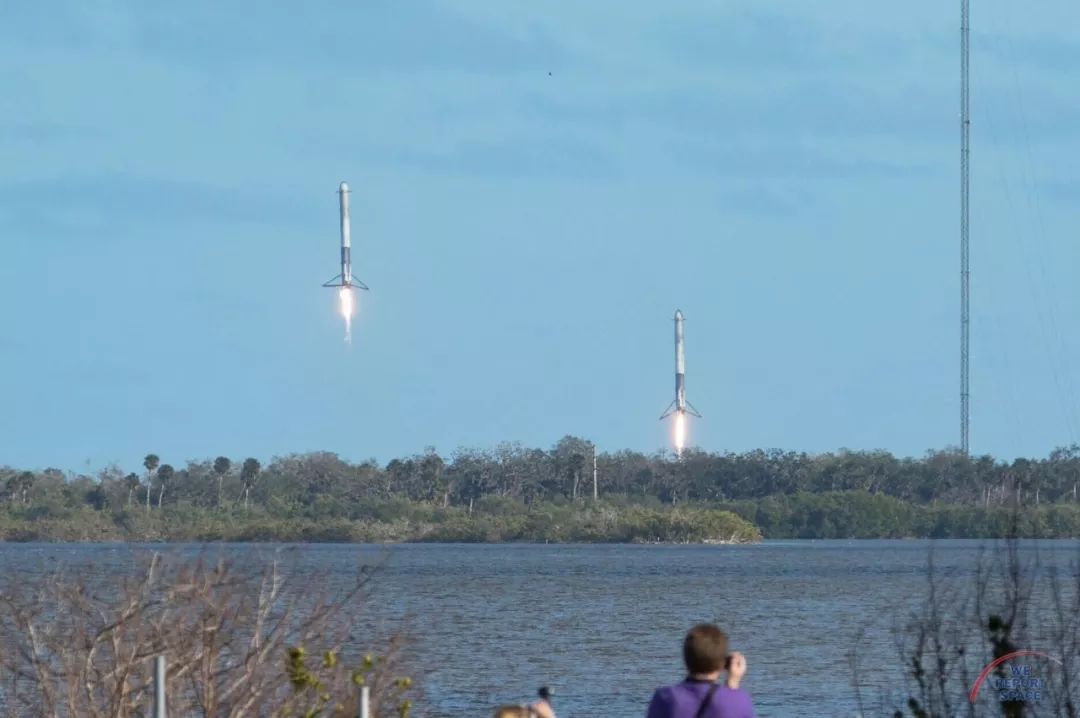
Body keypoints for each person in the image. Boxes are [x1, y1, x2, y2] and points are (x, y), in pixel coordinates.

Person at [646, 624, 755, 718]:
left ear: (685, 658)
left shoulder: (664, 698)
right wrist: (733, 683)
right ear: (723, 663)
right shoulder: (740, 701)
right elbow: (729, 707)